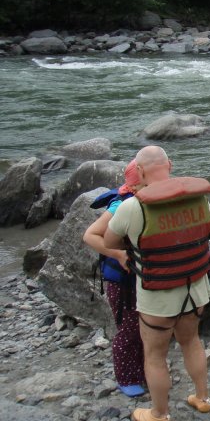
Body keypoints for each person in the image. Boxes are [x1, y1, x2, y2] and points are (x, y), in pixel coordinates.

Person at [104, 146, 210, 421]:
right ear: (170, 164)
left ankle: (159, 413)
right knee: (192, 342)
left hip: (158, 295)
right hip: (195, 288)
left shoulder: (133, 206)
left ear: (139, 171)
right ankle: (202, 398)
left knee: (155, 355)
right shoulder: (195, 198)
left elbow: (109, 241)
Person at [83, 159, 145, 397]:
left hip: (142, 276)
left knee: (145, 327)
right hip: (122, 280)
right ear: (135, 185)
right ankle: (127, 377)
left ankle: (143, 370)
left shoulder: (145, 199)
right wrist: (118, 254)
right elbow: (90, 235)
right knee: (128, 328)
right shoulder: (120, 205)